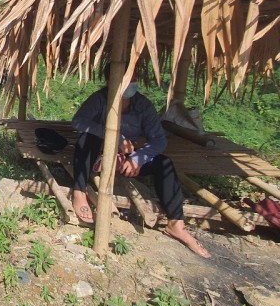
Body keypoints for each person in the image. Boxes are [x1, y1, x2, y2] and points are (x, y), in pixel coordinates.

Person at [70, 69, 211, 259]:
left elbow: (159, 140)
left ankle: (176, 224)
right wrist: (113, 136)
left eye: (135, 80)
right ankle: (79, 192)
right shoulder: (100, 99)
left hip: (129, 158)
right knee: (86, 140)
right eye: (129, 79)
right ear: (112, 81)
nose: (133, 84)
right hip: (100, 155)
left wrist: (139, 158)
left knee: (165, 164)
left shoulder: (143, 105)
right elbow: (78, 121)